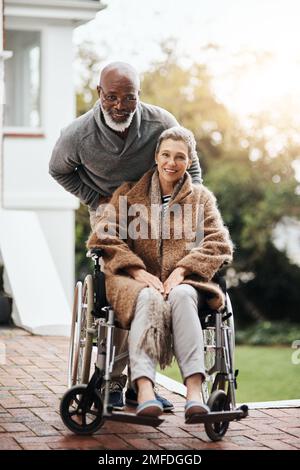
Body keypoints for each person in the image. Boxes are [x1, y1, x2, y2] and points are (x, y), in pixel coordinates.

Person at [49, 62, 202, 411]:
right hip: (111, 219)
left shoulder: (161, 122)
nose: (119, 105)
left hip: (157, 218)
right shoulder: (77, 135)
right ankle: (114, 381)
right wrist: (95, 198)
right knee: (123, 293)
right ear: (99, 94)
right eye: (112, 97)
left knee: (156, 293)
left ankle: (141, 383)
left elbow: (190, 165)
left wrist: (187, 205)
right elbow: (58, 169)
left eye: (128, 98)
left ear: (139, 96)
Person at [87, 126, 233, 419]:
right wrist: (137, 270)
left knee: (180, 294)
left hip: (186, 282)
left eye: (180, 157)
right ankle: (143, 390)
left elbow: (219, 242)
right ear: (156, 157)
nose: (171, 162)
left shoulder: (201, 199)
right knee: (148, 297)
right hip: (132, 282)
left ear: (189, 161)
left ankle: (194, 393)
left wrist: (183, 270)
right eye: (166, 154)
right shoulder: (128, 194)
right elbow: (103, 236)